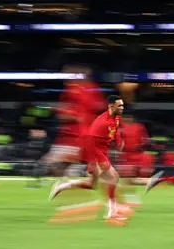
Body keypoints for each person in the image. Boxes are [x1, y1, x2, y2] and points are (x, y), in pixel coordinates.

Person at [49, 95, 132, 223]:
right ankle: (112, 212)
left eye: (122, 105)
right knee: (113, 177)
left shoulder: (116, 117)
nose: (122, 108)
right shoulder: (101, 123)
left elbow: (115, 130)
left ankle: (64, 185)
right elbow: (90, 144)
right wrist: (96, 163)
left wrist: (119, 141)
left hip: (101, 152)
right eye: (119, 105)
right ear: (111, 106)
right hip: (95, 153)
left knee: (92, 184)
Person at [43, 66, 105, 178]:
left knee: (53, 164)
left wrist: (60, 111)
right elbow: (100, 106)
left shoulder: (75, 89)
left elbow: (70, 114)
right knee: (59, 165)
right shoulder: (90, 89)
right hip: (77, 134)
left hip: (76, 136)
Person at [118, 114, 149, 206]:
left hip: (132, 155)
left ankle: (132, 200)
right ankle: (132, 200)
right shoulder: (120, 127)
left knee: (127, 180)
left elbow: (144, 141)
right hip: (127, 155)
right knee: (126, 180)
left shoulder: (138, 127)